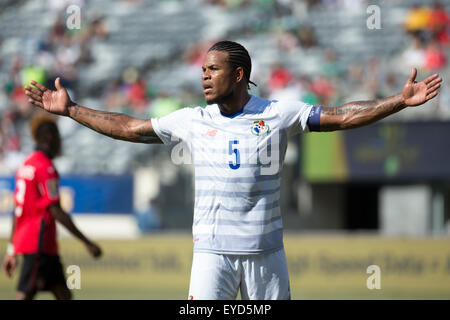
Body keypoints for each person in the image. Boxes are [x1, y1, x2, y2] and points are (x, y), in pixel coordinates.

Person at [23, 40, 442, 300]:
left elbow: (341, 116)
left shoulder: (279, 112)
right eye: (203, 69)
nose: (204, 76)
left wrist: (397, 101)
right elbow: (131, 128)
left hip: (266, 256)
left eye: (213, 69)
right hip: (212, 256)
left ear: (239, 74)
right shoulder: (192, 118)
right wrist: (73, 109)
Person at [1, 114, 102, 300]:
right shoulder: (45, 167)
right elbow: (55, 210)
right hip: (37, 242)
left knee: (63, 294)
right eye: (58, 139)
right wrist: (86, 242)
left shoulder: (26, 165)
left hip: (38, 243)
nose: (60, 144)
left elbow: (17, 211)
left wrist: (11, 250)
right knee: (24, 294)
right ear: (49, 138)